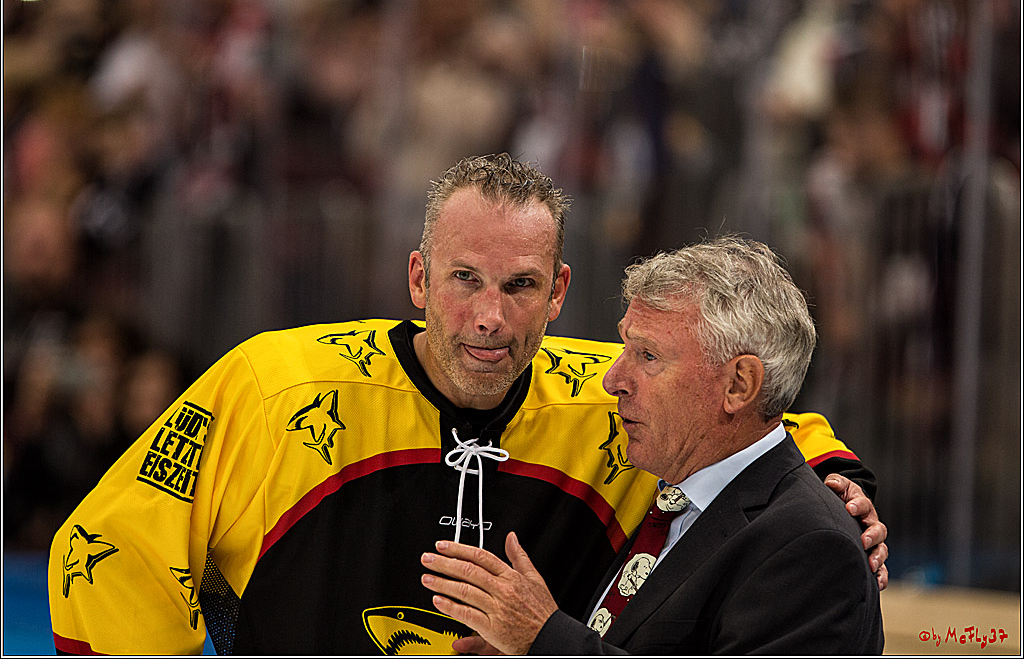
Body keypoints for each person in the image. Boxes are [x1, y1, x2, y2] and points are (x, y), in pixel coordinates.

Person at [48, 154, 886, 654]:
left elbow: (753, 425)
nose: (490, 315)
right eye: (464, 279)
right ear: (418, 278)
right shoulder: (272, 386)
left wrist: (840, 480)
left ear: (558, 291)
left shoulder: (615, 395)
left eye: (520, 285)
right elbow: (106, 546)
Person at [420, 237, 885, 654]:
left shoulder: (813, 548)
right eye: (624, 348)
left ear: (739, 385)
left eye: (648, 356)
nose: (613, 379)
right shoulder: (670, 503)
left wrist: (546, 640)